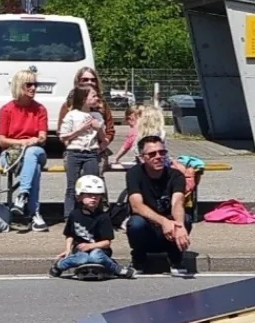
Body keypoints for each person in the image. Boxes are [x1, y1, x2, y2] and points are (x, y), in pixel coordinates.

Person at [125, 134, 194, 277]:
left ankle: (176, 259)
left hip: (169, 234)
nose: (158, 156)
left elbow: (178, 202)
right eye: (152, 154)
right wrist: (164, 221)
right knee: (135, 223)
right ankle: (139, 259)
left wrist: (179, 226)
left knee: (186, 219)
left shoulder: (176, 175)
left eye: (162, 152)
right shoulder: (134, 174)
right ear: (142, 157)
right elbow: (136, 205)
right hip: (147, 230)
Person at [50, 174, 133, 279]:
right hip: (80, 251)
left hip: (99, 250)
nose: (93, 197)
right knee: (81, 258)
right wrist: (67, 250)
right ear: (79, 196)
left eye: (97, 195)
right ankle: (59, 266)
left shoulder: (103, 217)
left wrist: (90, 246)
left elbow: (107, 243)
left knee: (96, 256)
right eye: (89, 194)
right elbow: (70, 235)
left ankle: (117, 269)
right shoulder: (74, 215)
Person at [0, 68, 49, 232]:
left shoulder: (40, 109)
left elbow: (43, 137)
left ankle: (22, 195)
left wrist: (35, 140)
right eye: (29, 84)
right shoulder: (6, 110)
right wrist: (23, 142)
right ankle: (35, 214)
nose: (33, 88)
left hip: (36, 151)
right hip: (12, 154)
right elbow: (2, 141)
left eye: (35, 84)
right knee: (35, 169)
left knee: (33, 153)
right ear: (19, 86)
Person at [59, 85, 108, 218]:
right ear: (83, 99)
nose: (97, 98)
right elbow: (63, 136)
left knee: (92, 183)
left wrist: (99, 129)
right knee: (72, 185)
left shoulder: (97, 116)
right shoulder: (72, 115)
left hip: (91, 153)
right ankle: (69, 216)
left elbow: (104, 140)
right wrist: (80, 129)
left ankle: (91, 214)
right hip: (74, 152)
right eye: (93, 96)